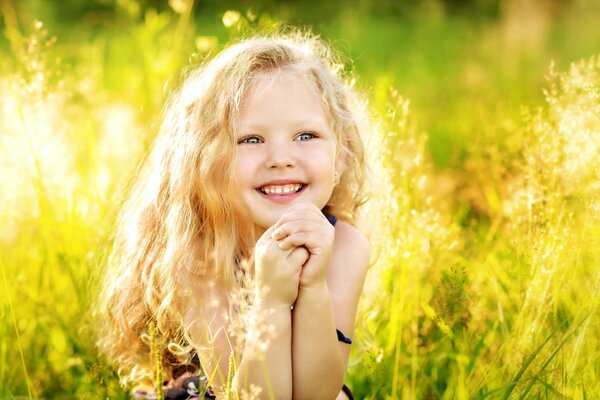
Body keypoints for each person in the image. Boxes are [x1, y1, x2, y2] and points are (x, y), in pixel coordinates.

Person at [96, 31, 372, 400]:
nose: (280, 158)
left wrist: (312, 287)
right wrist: (272, 299)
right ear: (207, 162)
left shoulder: (345, 246)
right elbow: (253, 396)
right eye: (250, 140)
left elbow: (318, 393)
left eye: (306, 136)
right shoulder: (198, 256)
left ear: (339, 157)